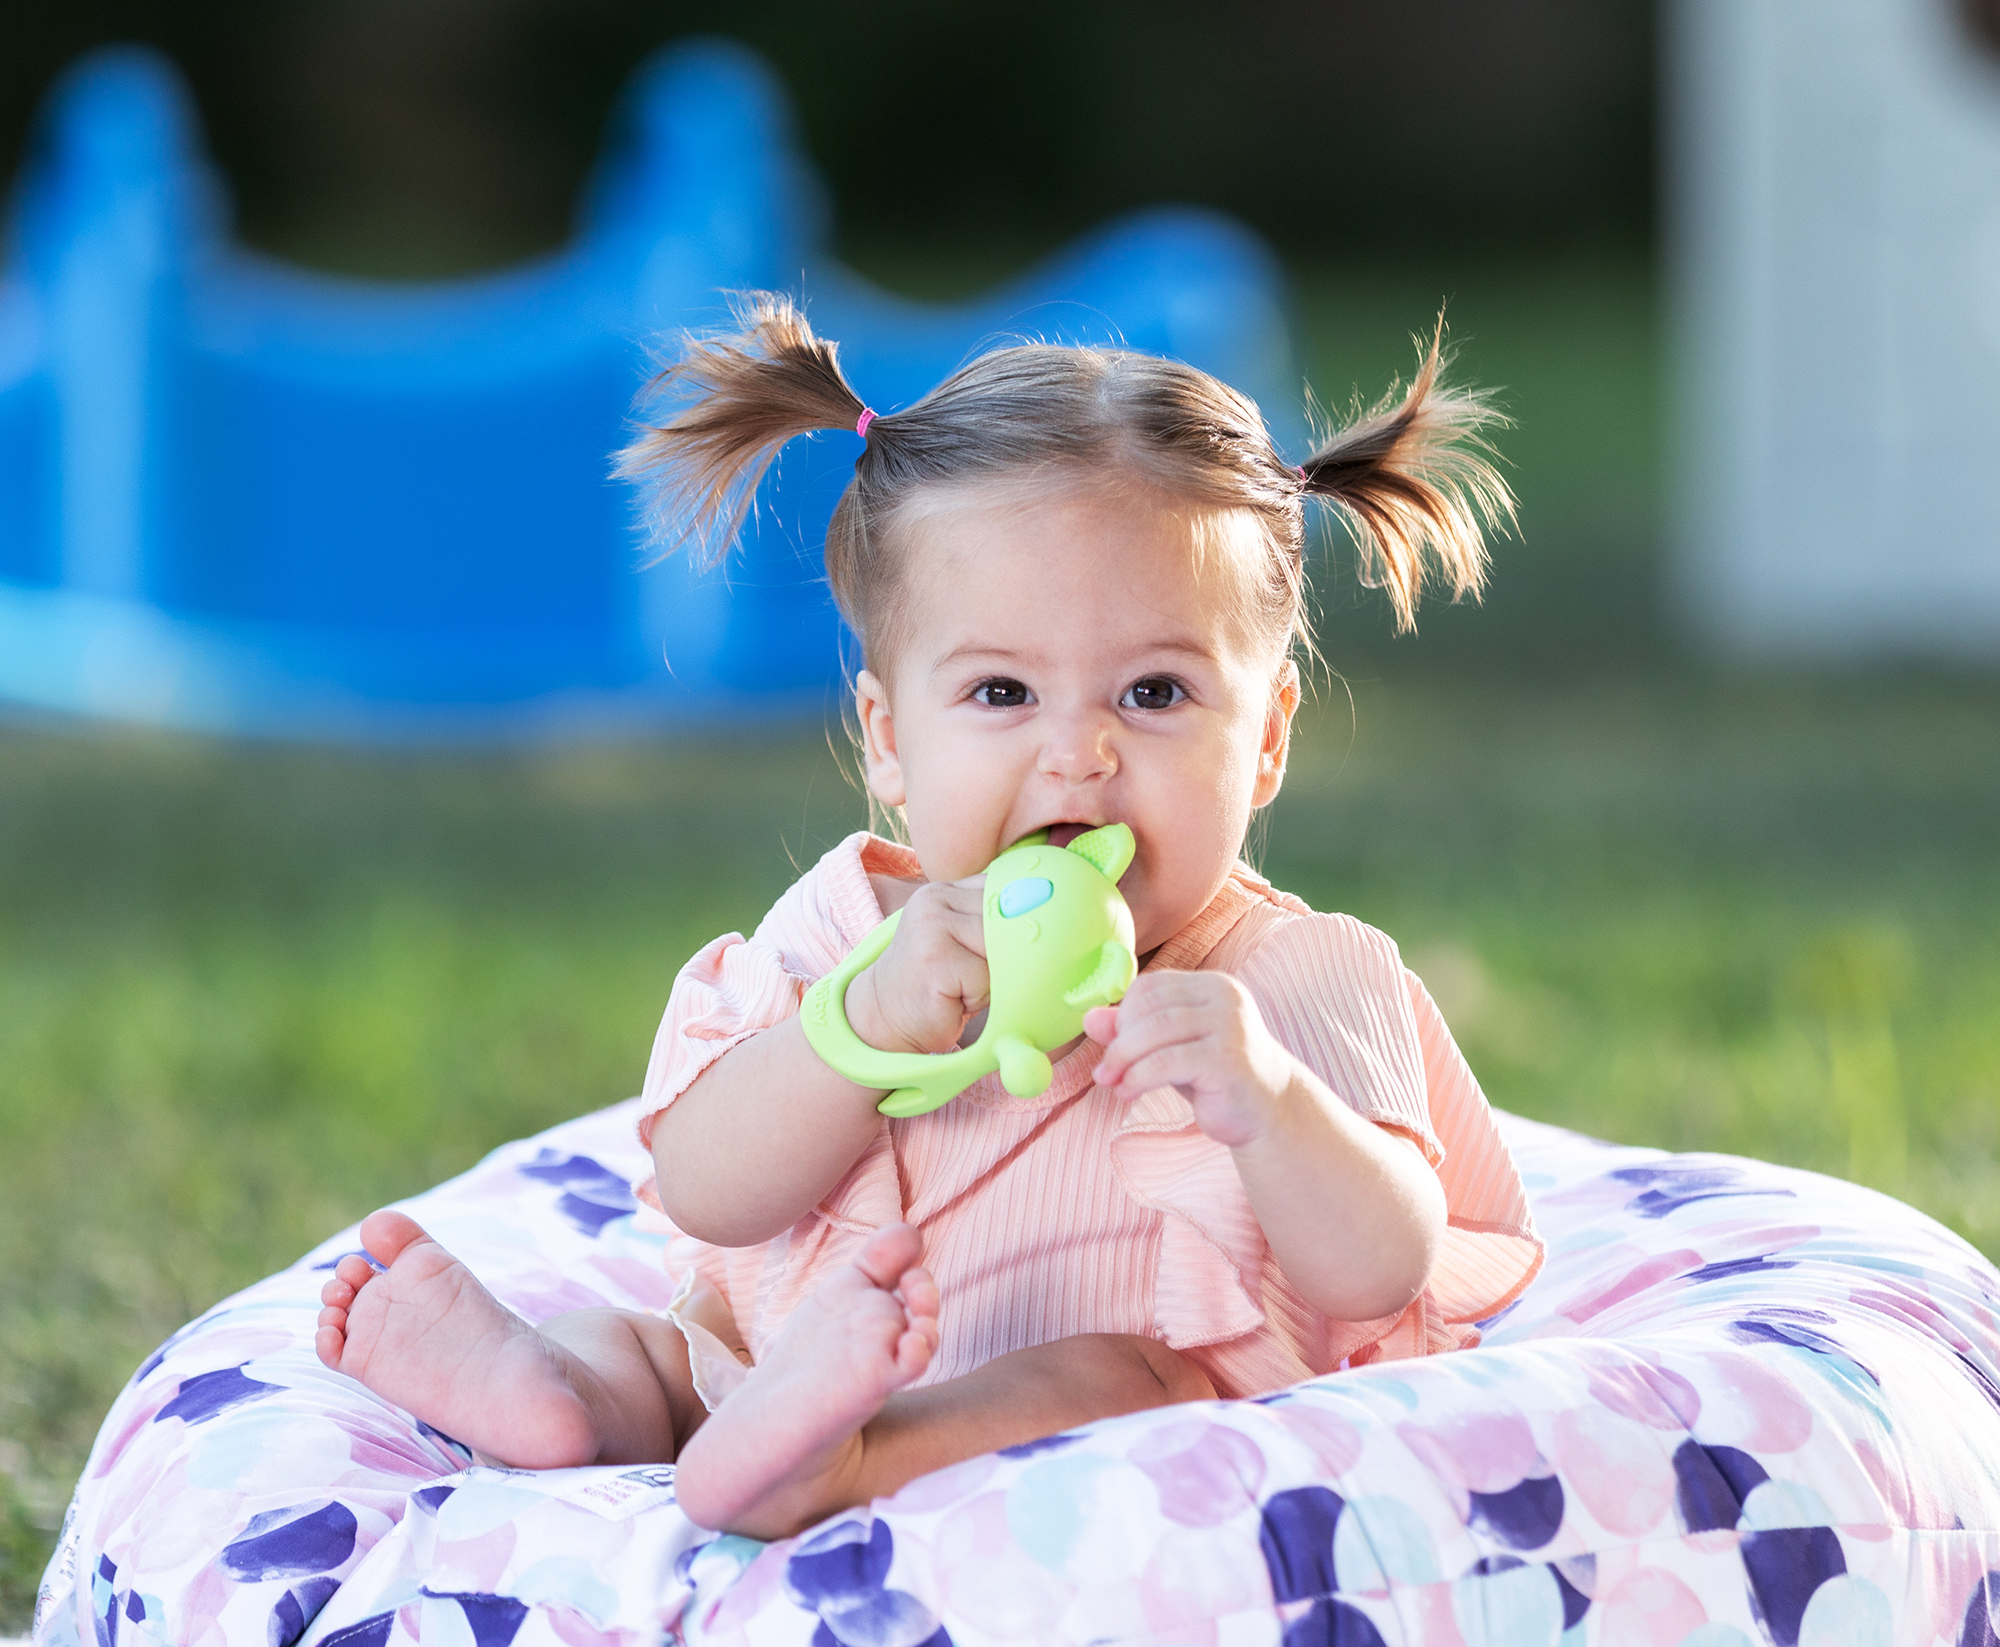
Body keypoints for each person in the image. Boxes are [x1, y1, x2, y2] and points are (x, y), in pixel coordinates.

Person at [315, 295, 1541, 1540]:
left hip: (1100, 1404)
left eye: (1155, 690)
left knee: (1132, 1373)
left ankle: (846, 1461)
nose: (1080, 754)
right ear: (890, 740)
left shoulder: (1287, 976)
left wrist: (1269, 1101)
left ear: (1265, 734)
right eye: (1002, 690)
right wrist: (857, 1029)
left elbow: (1379, 1265)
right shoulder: (857, 929)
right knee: (662, 1351)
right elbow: (705, 1187)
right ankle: (556, 1395)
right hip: (776, 1369)